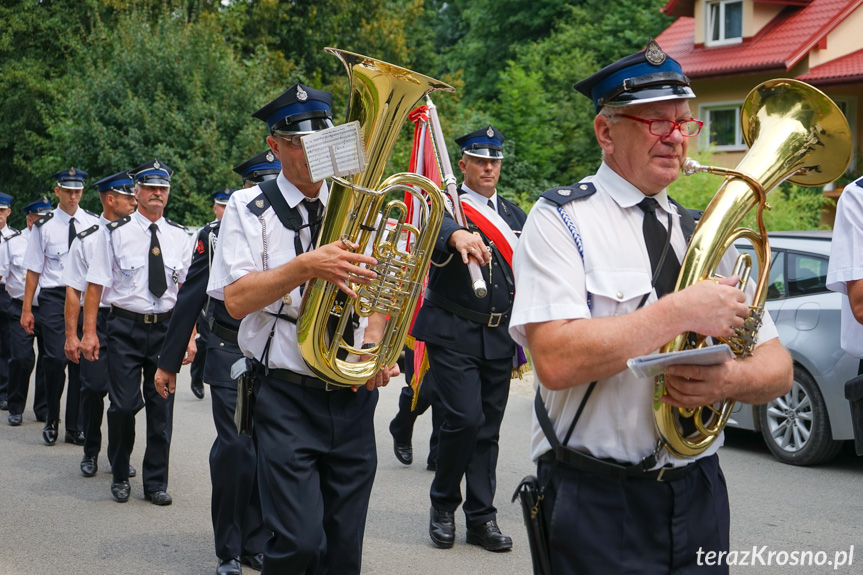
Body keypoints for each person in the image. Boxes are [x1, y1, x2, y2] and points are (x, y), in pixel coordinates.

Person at [508, 40, 794, 574]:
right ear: (605, 132)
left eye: (684, 122)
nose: (676, 137)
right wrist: (681, 311)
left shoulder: (705, 232)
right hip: (596, 496)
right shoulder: (560, 220)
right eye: (655, 122)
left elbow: (778, 368)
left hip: (700, 492)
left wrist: (728, 381)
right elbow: (555, 360)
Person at [207, 83, 397, 575]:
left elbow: (385, 288)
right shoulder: (250, 208)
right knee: (298, 542)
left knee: (343, 551)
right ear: (274, 145)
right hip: (286, 394)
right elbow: (236, 299)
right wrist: (307, 266)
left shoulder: (360, 204)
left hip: (351, 395)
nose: (313, 153)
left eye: (321, 141)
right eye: (299, 143)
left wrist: (374, 345)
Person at [410, 125, 525, 552]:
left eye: (494, 160)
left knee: (488, 430)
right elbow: (435, 232)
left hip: (497, 334)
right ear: (463, 164)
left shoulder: (513, 215)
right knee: (463, 419)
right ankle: (443, 505)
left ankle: (481, 518)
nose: (489, 166)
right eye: (480, 160)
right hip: (453, 331)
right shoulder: (444, 207)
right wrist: (456, 235)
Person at [155, 177, 268, 575]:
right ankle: (230, 549)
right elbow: (192, 294)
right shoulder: (218, 234)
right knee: (238, 449)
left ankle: (258, 543)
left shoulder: (304, 228)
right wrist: (168, 361)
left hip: (281, 353)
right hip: (230, 348)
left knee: (269, 450)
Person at [81, 159, 192, 505]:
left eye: (163, 188)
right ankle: (119, 472)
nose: (157, 194)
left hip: (166, 331)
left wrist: (189, 338)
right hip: (125, 328)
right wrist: (89, 333)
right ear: (138, 192)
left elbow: (187, 293)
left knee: (161, 410)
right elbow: (95, 285)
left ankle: (155, 483)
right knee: (123, 406)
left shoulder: (180, 237)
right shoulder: (114, 233)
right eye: (151, 188)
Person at [63, 170, 138, 478]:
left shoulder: (138, 235)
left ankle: (119, 457)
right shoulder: (88, 239)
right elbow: (73, 290)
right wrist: (73, 334)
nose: (135, 200)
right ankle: (90, 449)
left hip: (127, 321)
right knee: (93, 388)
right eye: (128, 196)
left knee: (125, 399)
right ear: (111, 199)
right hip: (97, 319)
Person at [22, 168, 100, 445]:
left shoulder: (93, 223)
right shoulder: (44, 227)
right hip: (55, 297)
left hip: (84, 297)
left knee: (81, 362)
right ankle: (52, 416)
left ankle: (74, 426)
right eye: (68, 191)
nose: (73, 196)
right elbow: (33, 270)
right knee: (55, 359)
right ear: (57, 191)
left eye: (78, 191)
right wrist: (27, 309)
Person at [188, 187, 235, 401]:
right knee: (206, 340)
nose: (225, 211)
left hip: (230, 296)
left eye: (228, 206)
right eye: (222, 206)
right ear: (214, 208)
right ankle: (197, 377)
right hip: (207, 298)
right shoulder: (206, 233)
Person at [387, 346, 442, 470]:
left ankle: (438, 455)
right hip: (420, 333)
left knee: (445, 394)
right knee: (420, 392)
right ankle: (401, 428)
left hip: (456, 333)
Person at [0, 192, 16, 412]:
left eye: (1, 211)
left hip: (4, 293)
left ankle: (4, 390)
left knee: (6, 344)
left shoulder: (15, 238)